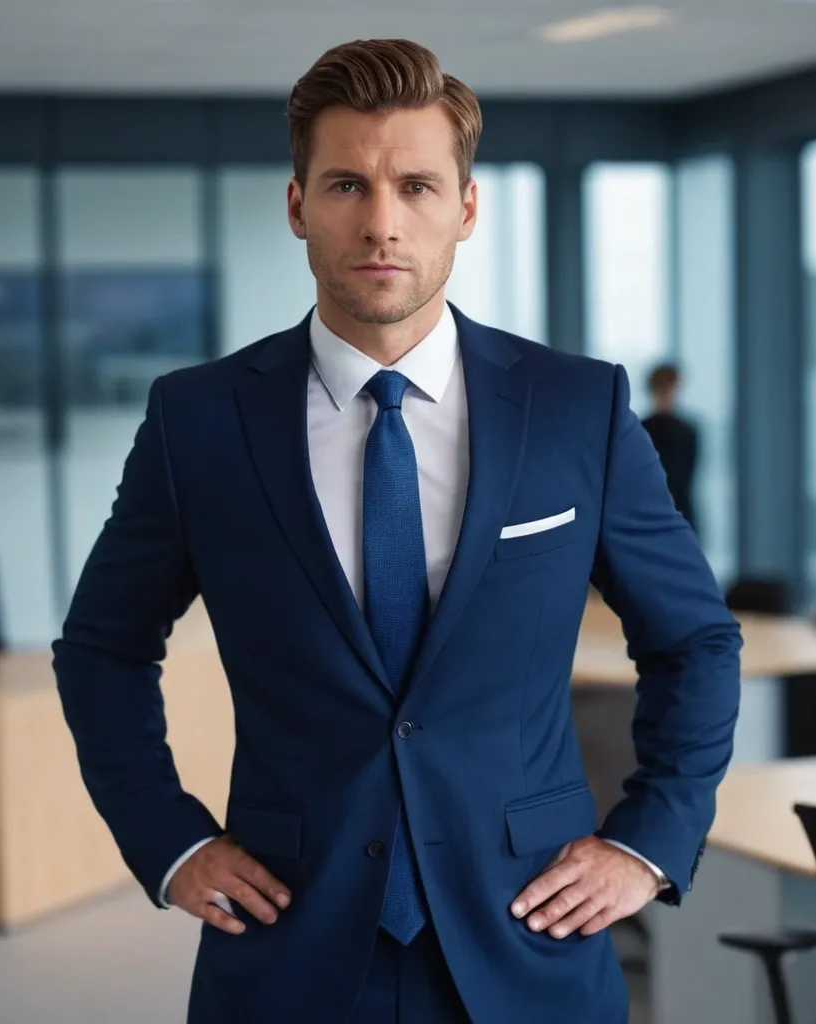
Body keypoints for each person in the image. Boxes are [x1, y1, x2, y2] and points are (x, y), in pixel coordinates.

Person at [53, 39, 741, 1024]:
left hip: (531, 932)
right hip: (289, 937)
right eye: (345, 184)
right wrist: (167, 838)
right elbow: (102, 648)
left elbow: (695, 640)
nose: (380, 223)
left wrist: (646, 841)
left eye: (416, 186)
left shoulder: (575, 407)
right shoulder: (197, 420)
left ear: (464, 208)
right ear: (296, 205)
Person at [641, 363, 700, 533]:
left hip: (679, 512)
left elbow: (686, 478)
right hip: (651, 513)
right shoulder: (640, 429)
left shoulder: (687, 430)